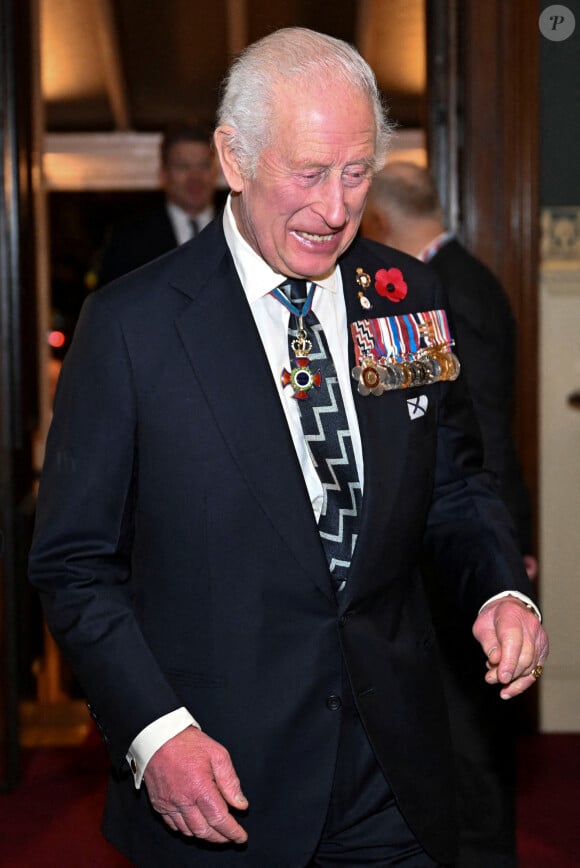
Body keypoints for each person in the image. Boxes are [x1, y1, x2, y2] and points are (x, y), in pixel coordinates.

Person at [29, 27, 548, 868]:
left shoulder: (404, 297)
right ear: (234, 160)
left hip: (396, 775)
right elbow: (74, 564)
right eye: (308, 174)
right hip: (222, 784)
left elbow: (452, 485)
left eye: (357, 174)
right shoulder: (133, 327)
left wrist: (498, 590)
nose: (337, 209)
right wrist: (157, 736)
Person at [362, 161, 537, 867]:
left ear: (377, 217)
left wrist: (500, 555)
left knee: (468, 743)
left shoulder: (443, 293)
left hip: (465, 546)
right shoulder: (466, 275)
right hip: (471, 537)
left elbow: (479, 443)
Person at [98, 121, 219, 285]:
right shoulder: (129, 239)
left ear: (216, 171)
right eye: (183, 167)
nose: (195, 178)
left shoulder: (242, 231)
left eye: (203, 166)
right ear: (163, 175)